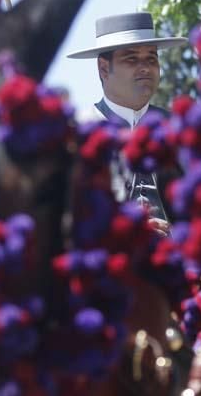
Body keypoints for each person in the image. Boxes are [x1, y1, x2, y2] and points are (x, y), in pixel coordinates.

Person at [67, 12, 188, 232]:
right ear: (104, 69)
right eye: (131, 58)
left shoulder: (179, 130)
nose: (145, 67)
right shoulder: (80, 134)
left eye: (152, 58)